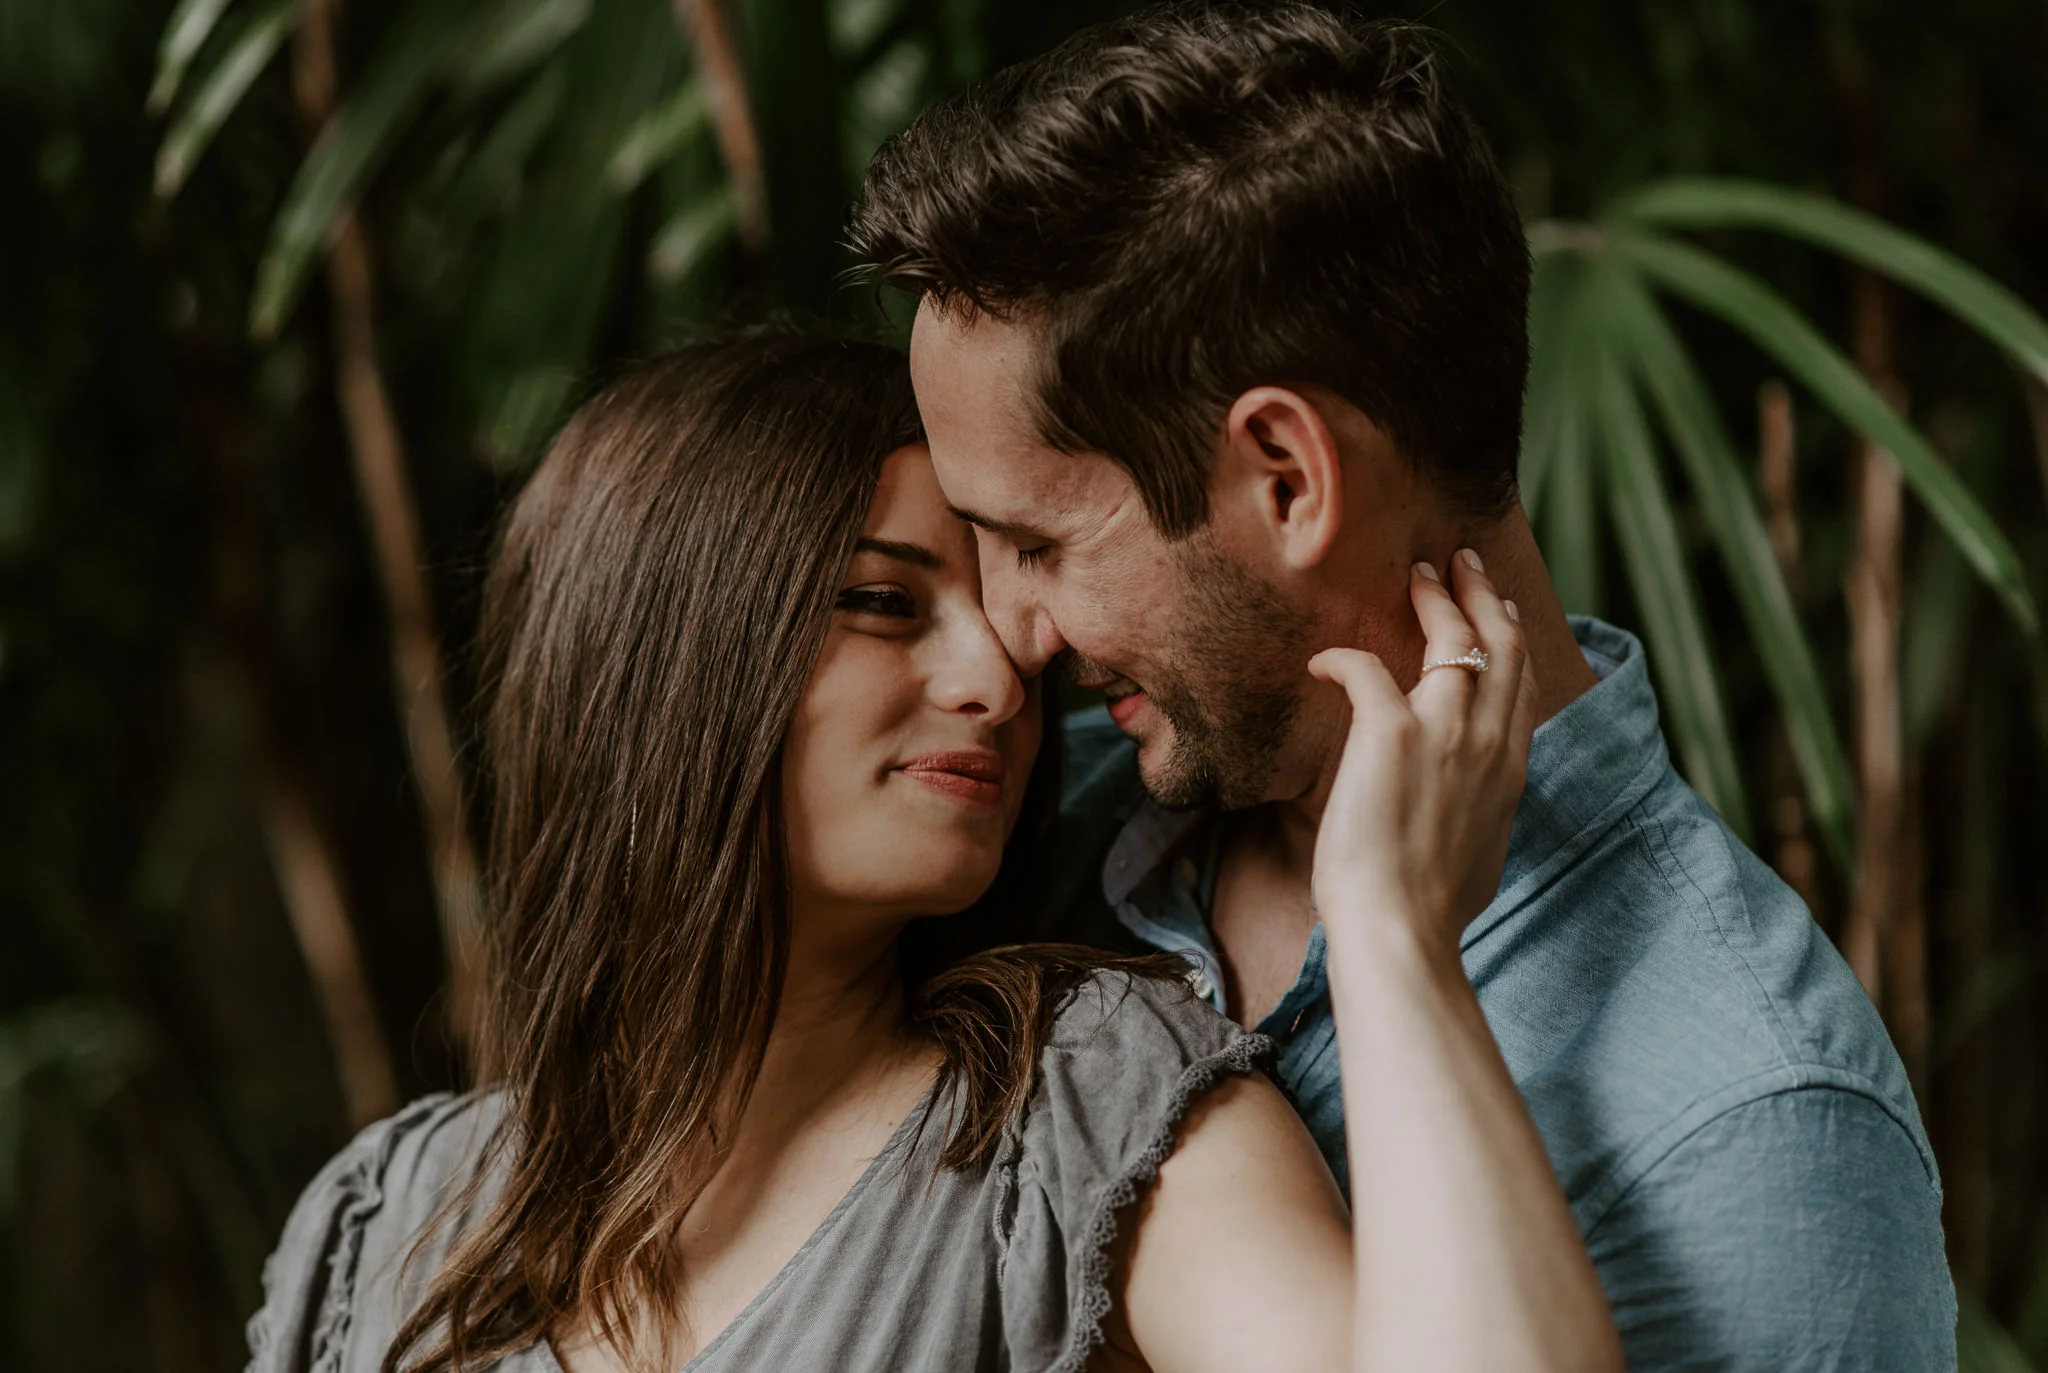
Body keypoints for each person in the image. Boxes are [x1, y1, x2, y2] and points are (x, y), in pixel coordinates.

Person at [848, 3, 1957, 1367]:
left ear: (1289, 479)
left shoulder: (1753, 1129)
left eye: (1035, 544)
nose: (1011, 636)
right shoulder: (1023, 833)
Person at [243, 332, 1620, 1373]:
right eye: (888, 602)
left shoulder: (1083, 1125)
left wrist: (1388, 931)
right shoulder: (390, 1224)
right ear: (658, 653)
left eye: (1009, 606)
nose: (1003, 678)